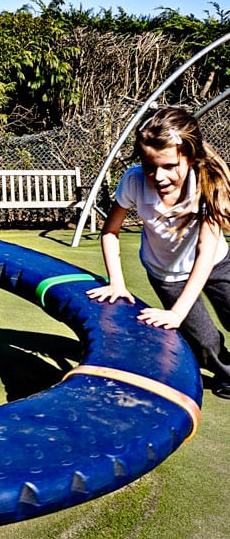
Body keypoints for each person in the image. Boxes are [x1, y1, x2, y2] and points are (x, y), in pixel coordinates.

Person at [87, 106, 230, 399]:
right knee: (204, 341)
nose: (159, 176)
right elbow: (110, 232)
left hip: (215, 263)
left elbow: (205, 252)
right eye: (150, 166)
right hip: (167, 273)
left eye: (169, 166)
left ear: (190, 158)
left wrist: (177, 312)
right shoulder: (134, 181)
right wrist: (116, 282)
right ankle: (227, 372)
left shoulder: (206, 185)